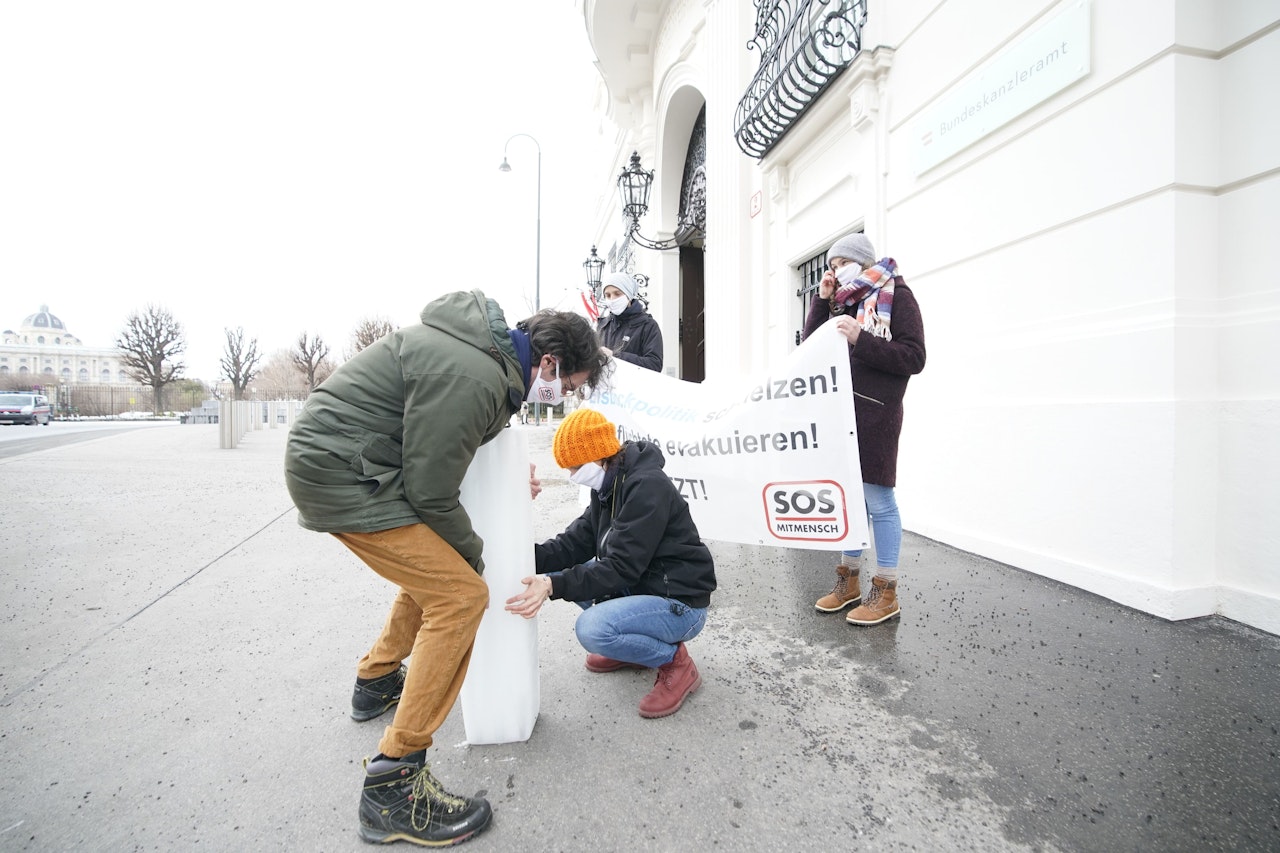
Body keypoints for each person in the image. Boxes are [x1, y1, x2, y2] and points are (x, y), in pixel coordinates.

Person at [284, 289, 606, 847]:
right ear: (549, 363)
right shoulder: (478, 375)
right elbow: (433, 490)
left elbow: (446, 449)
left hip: (350, 462)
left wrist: (507, 484)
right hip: (342, 473)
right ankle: (394, 782)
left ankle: (377, 678)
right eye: (570, 385)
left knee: (438, 572)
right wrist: (477, 555)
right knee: (460, 594)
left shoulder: (483, 359)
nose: (562, 396)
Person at [504, 408, 716, 718]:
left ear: (598, 456)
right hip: (643, 586)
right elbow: (574, 543)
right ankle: (634, 651)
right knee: (552, 572)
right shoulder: (607, 487)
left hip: (680, 602)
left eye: (575, 467)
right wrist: (520, 555)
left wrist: (553, 586)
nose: (571, 475)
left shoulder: (646, 486)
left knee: (593, 629)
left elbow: (621, 568)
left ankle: (675, 663)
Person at [802, 232, 926, 626]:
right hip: (842, 413)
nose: (836, 271)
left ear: (861, 261)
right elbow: (813, 346)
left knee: (879, 501)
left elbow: (914, 356)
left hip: (876, 414)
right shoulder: (845, 301)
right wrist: (822, 301)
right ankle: (849, 582)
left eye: (840, 264)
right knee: (850, 501)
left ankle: (886, 590)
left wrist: (863, 339)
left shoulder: (896, 294)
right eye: (833, 267)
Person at [597, 271, 664, 371]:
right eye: (608, 295)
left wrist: (615, 356)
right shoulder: (603, 326)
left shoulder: (648, 325)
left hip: (635, 385)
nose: (612, 299)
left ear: (629, 295)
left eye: (617, 294)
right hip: (606, 386)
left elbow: (654, 364)